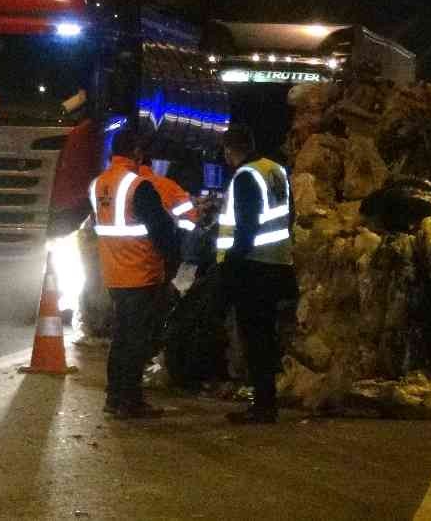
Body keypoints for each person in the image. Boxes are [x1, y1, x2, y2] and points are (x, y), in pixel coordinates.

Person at [89, 126, 195, 418]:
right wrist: (175, 259)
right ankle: (130, 400)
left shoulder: (99, 184)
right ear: (136, 152)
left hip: (114, 273)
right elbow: (162, 231)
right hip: (141, 272)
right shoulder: (139, 186)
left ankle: (114, 396)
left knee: (121, 337)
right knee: (136, 340)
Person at [215, 124, 297, 424]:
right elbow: (288, 216)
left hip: (252, 268)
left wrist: (230, 264)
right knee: (266, 336)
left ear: (229, 150)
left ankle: (263, 405)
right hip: (278, 264)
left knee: (256, 338)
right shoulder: (276, 170)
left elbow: (246, 227)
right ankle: (266, 400)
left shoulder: (246, 176)